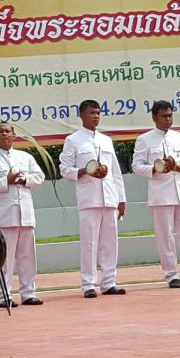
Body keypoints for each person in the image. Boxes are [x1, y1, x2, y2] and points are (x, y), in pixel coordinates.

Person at [132, 101, 180, 289]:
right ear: (154, 117)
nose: (168, 119)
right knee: (165, 235)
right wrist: (156, 168)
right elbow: (136, 166)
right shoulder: (144, 139)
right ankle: (171, 274)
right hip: (161, 193)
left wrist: (179, 166)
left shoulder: (177, 136)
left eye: (170, 115)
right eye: (164, 116)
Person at [59, 100, 127, 298]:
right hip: (89, 198)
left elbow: (115, 171)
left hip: (109, 196)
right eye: (91, 113)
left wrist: (121, 199)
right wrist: (83, 171)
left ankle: (109, 282)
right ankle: (88, 284)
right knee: (89, 243)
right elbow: (64, 169)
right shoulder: (73, 140)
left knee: (110, 242)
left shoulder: (106, 140)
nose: (96, 116)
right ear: (82, 115)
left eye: (98, 113)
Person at [0, 123, 47, 307]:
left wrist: (25, 179)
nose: (4, 134)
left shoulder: (25, 157)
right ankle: (4, 296)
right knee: (4, 260)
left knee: (27, 257)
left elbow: (40, 177)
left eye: (7, 131)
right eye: (0, 132)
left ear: (14, 136)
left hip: (25, 214)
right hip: (3, 216)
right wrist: (5, 180)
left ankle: (28, 293)